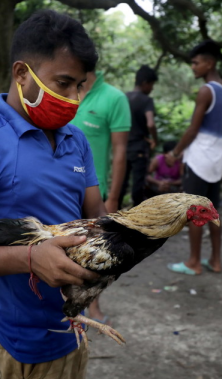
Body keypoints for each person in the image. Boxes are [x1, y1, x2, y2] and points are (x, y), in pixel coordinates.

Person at [0, 10, 103, 379]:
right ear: (22, 74)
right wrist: (30, 258)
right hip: (18, 339)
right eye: (63, 83)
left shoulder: (77, 141)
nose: (74, 98)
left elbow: (96, 219)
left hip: (74, 327)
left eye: (80, 86)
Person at [167, 40, 222, 275]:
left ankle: (194, 262)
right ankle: (216, 261)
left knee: (195, 212)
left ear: (209, 63)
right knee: (213, 212)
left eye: (196, 63)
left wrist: (175, 153)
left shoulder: (207, 90)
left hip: (199, 161)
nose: (193, 67)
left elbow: (193, 129)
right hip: (217, 160)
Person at [71, 70, 131, 325]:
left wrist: (114, 198)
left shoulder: (114, 98)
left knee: (94, 251)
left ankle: (92, 305)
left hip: (96, 192)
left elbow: (120, 151)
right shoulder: (62, 92)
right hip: (61, 188)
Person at [119, 65, 159, 208]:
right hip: (139, 149)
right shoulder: (146, 100)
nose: (152, 88)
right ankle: (138, 215)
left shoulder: (123, 97)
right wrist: (155, 139)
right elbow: (150, 124)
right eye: (152, 85)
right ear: (145, 83)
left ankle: (116, 214)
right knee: (138, 183)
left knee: (121, 182)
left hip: (123, 147)